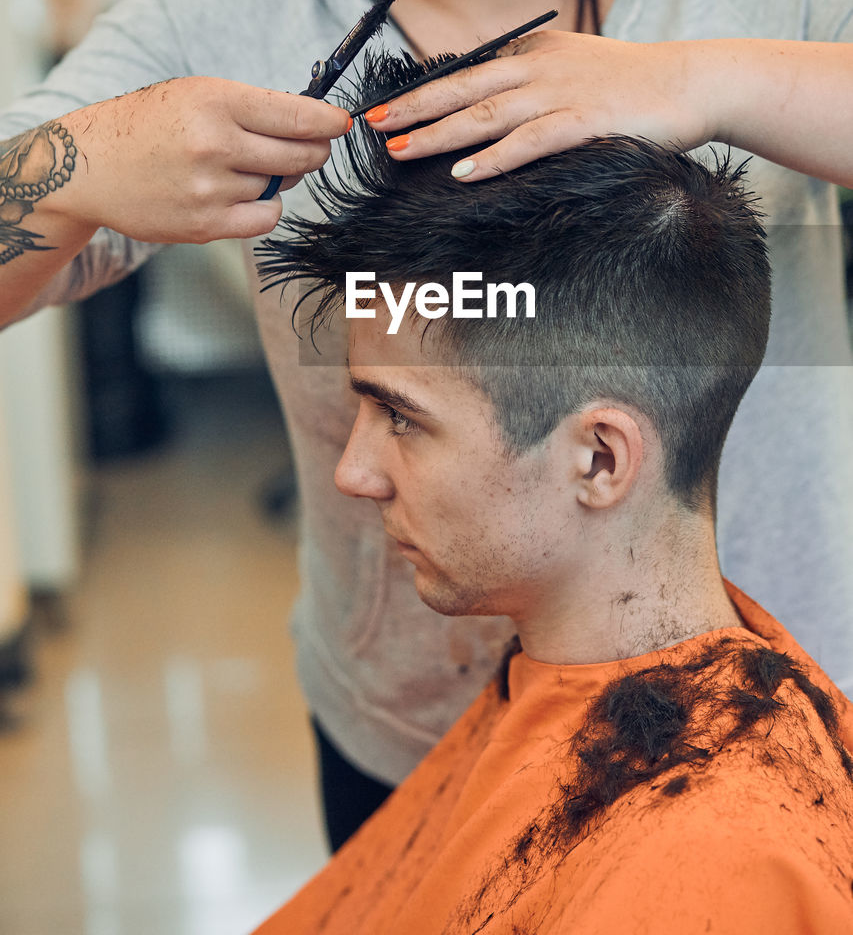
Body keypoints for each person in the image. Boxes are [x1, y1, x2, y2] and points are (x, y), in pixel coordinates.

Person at [1, 0, 852, 847]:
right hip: (416, 741)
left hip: (759, 706)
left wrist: (704, 77)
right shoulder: (218, 15)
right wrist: (84, 160)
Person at [249, 109, 853, 934]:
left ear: (599, 460)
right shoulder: (547, 689)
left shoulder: (714, 865)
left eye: (400, 417)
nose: (351, 474)